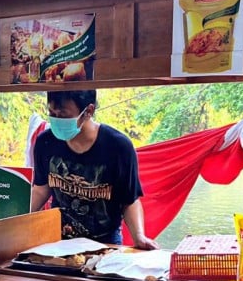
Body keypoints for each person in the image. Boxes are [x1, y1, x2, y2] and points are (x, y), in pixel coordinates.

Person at [31, 90, 159, 249]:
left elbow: (129, 201)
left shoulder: (118, 147)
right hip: (58, 241)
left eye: (63, 115)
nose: (56, 120)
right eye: (52, 113)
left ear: (88, 111)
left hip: (105, 243)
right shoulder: (46, 142)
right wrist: (14, 222)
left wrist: (139, 236)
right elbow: (41, 189)